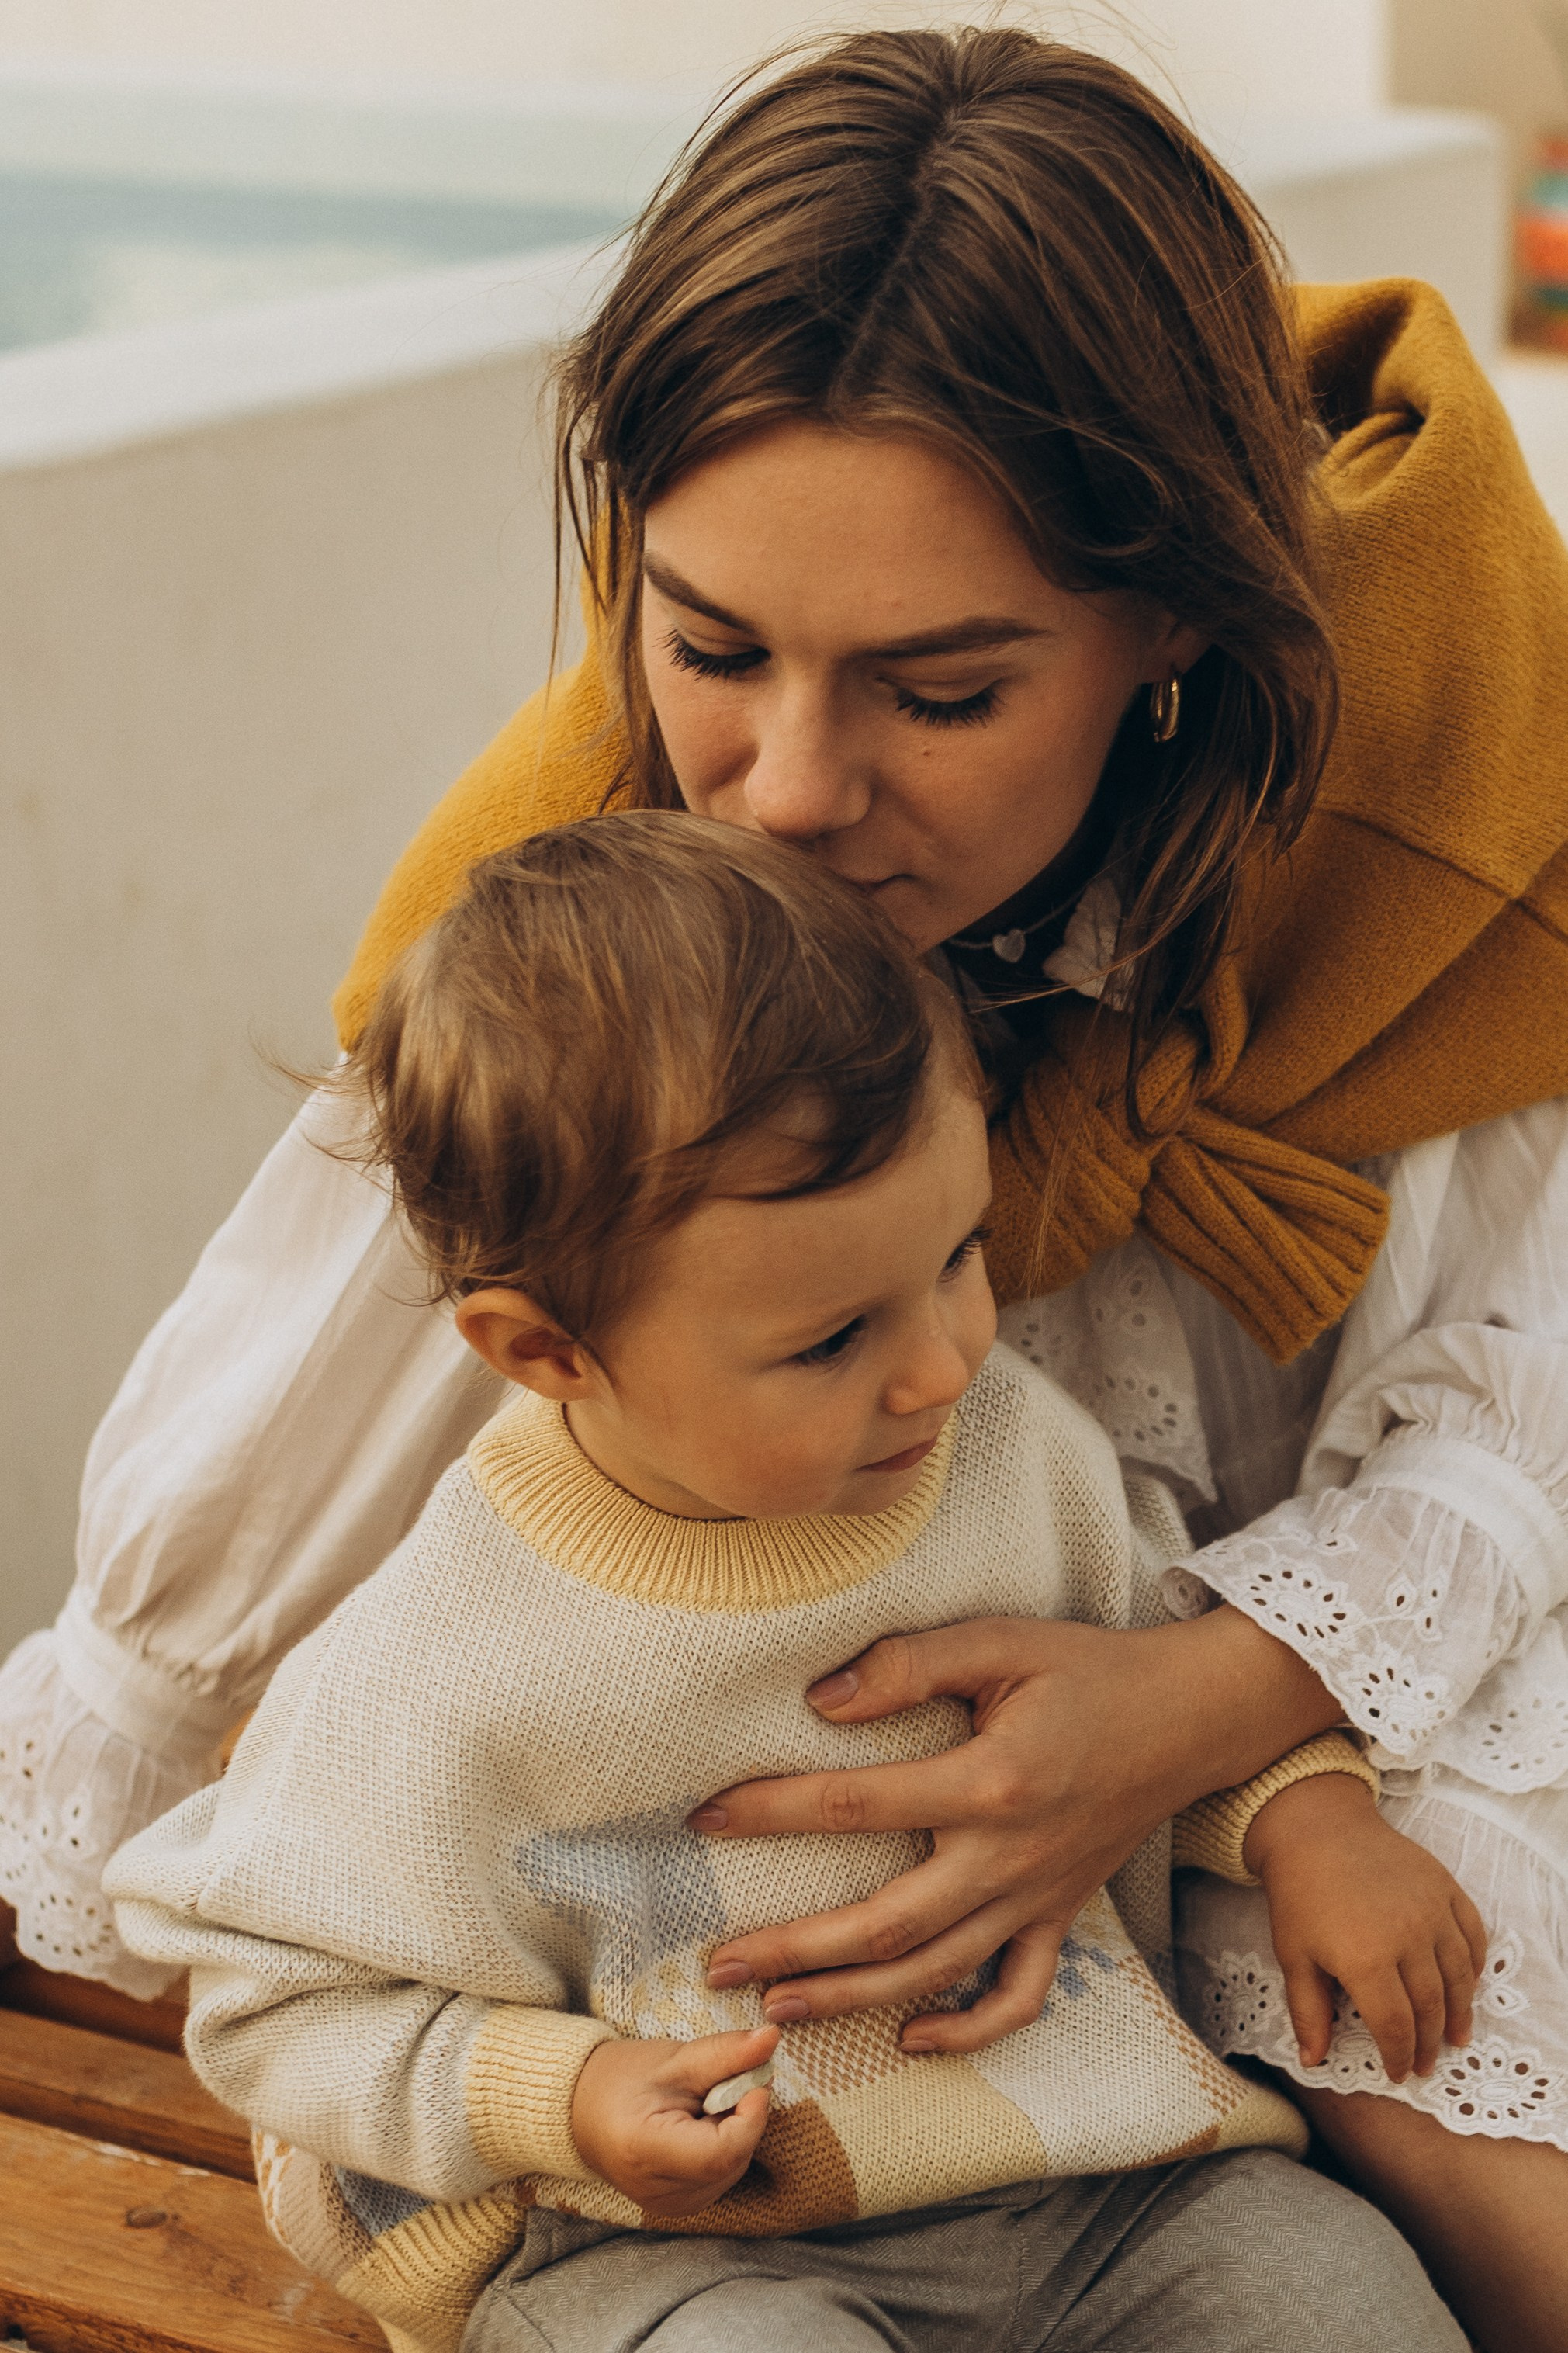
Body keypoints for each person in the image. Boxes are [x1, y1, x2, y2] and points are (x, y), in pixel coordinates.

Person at [3, 24, 1566, 2348]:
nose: (784, 789)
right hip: (755, 1961)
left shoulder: (1428, 809)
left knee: (1455, 2165)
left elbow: (1515, 1382)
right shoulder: (589, 914)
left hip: (1347, 1647)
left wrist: (1207, 1720)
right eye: (711, 646)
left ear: (1169, 639)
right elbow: (317, 1377)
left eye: (939, 693)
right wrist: (118, 1817)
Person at [106, 815, 1468, 2353]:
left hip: (1106, 2187)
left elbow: (1157, 1669)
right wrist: (560, 2092)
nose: (946, 1361)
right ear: (547, 1351)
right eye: (830, 1342)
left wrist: (1312, 1814)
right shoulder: (439, 1661)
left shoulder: (1015, 1455)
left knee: (1338, 2298)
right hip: (688, 2256)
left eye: (960, 1254)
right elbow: (270, 2000)